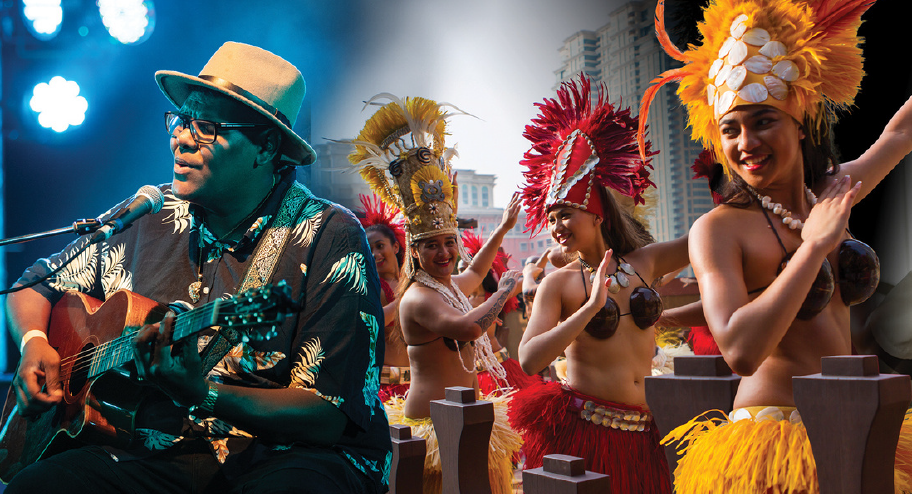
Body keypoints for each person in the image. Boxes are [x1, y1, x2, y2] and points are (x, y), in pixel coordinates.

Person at [4, 42, 391, 494]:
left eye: (206, 126)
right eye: (181, 119)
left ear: (265, 146)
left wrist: (202, 394)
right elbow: (33, 285)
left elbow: (327, 416)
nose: (182, 137)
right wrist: (35, 343)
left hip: (284, 456)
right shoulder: (148, 213)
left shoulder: (328, 234)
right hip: (155, 451)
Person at [638, 0, 912, 491]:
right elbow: (740, 348)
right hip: (774, 441)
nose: (746, 143)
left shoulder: (830, 191)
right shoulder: (718, 230)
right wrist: (813, 248)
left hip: (854, 420)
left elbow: (901, 132)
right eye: (731, 129)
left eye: (763, 121)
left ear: (799, 120)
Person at [508, 75, 687, 494]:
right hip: (587, 434)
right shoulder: (559, 284)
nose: (557, 227)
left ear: (596, 213)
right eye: (551, 219)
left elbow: (705, 240)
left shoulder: (648, 260)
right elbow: (531, 358)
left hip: (646, 431)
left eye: (566, 214)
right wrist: (589, 310)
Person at [343, 94, 523, 494]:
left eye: (449, 242)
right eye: (432, 245)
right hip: (433, 431)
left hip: (466, 419)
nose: (444, 253)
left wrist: (504, 227)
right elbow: (467, 329)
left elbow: (476, 270)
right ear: (416, 251)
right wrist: (506, 288)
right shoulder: (417, 298)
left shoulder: (448, 287)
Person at [460, 229, 543, 396]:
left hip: (499, 367)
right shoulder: (456, 300)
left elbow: (527, 280)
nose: (462, 273)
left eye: (466, 268)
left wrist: (541, 260)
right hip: (471, 373)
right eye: (460, 269)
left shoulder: (495, 296)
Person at [356, 194, 411, 402]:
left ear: (395, 247)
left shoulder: (409, 282)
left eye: (380, 246)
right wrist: (404, 300)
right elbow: (375, 323)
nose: (375, 253)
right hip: (387, 391)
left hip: (417, 386)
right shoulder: (371, 287)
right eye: (369, 250)